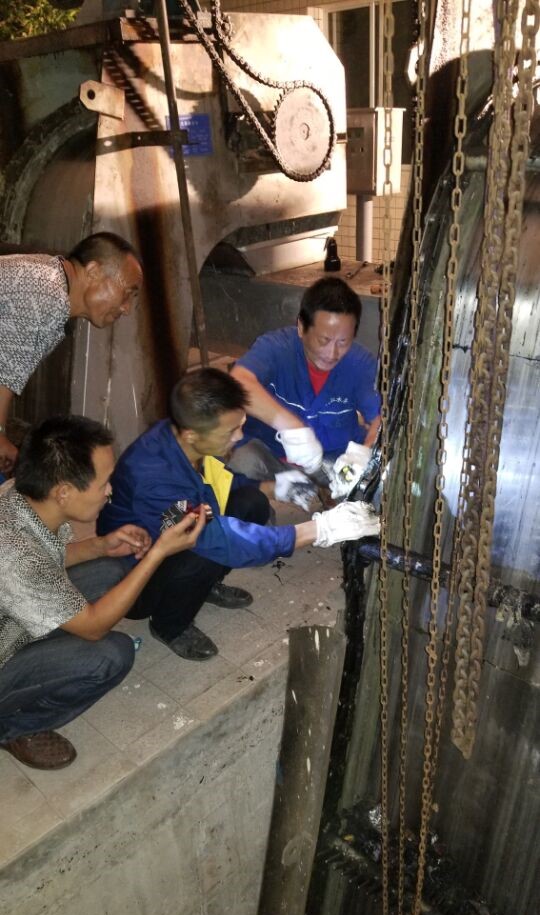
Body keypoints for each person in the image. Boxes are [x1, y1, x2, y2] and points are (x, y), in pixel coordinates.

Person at [98, 368, 380, 662]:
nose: (239, 436)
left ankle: (205, 586)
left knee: (252, 502)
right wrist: (319, 529)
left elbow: (213, 484)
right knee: (203, 550)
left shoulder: (185, 438)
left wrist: (274, 487)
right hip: (135, 579)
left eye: (241, 424)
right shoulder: (152, 478)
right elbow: (217, 538)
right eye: (230, 432)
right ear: (193, 434)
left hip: (179, 531)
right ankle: (169, 625)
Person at [0, 416, 205, 772]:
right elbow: (94, 627)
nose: (110, 491)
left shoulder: (21, 497)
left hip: (11, 620)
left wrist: (99, 546)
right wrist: (158, 552)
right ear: (64, 492)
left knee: (110, 571)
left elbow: (48, 557)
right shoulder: (15, 556)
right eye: (104, 483)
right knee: (111, 655)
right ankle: (12, 727)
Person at [0, 231, 144, 473]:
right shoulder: (47, 291)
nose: (127, 308)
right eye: (128, 292)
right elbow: (3, 372)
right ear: (93, 271)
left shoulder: (51, 283)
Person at [228, 276, 382, 483]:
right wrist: (291, 427)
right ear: (301, 327)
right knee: (242, 464)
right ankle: (275, 491)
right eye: (324, 340)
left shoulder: (359, 364)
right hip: (273, 457)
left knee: (371, 484)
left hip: (332, 462)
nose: (332, 353)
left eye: (343, 342)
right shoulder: (277, 348)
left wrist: (363, 455)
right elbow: (237, 382)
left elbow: (381, 418)